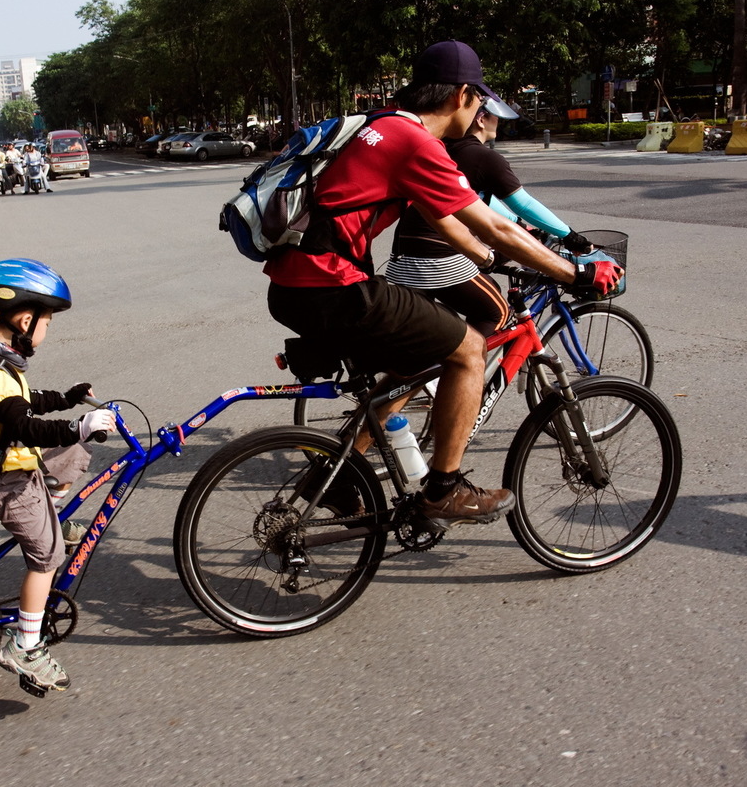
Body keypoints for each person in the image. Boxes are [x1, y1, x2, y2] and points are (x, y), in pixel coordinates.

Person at [263, 40, 621, 530]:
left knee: (413, 360)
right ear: (461, 96)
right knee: (470, 349)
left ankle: (337, 474)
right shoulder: (416, 142)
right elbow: (496, 224)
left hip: (293, 286)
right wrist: (576, 273)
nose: (480, 113)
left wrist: (488, 258)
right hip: (334, 288)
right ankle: (443, 491)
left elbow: (450, 220)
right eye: (479, 100)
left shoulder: (381, 124)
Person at [0, 258, 117, 692]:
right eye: (46, 321)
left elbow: (31, 403)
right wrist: (79, 424)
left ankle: (51, 512)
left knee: (71, 450)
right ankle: (24, 645)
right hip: (2, 484)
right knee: (48, 559)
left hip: (11, 469)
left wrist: (68, 399)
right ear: (24, 319)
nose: (46, 330)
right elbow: (23, 425)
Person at [385, 98, 595, 339]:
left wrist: (521, 228)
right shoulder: (483, 158)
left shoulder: (444, 148)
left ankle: (434, 370)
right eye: (495, 117)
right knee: (497, 313)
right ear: (481, 119)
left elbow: (479, 203)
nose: (500, 123)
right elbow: (523, 204)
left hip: (403, 256)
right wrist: (570, 236)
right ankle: (464, 370)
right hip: (437, 259)